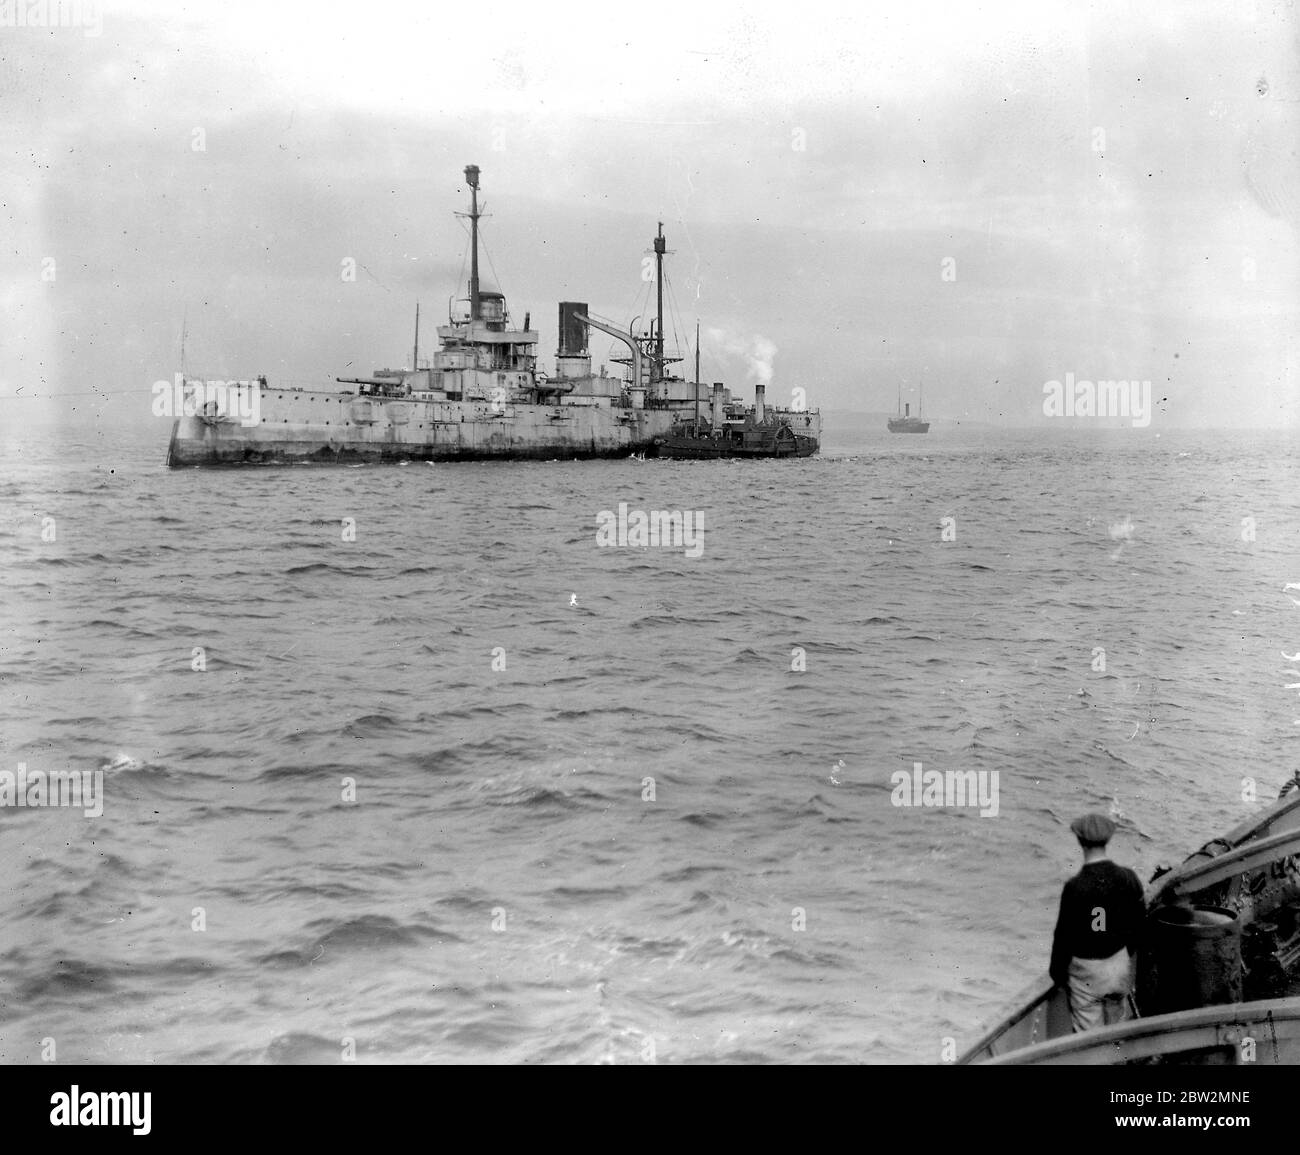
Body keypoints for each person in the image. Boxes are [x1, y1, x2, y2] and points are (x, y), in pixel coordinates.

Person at [1049, 812, 1145, 1032]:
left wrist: (1057, 975)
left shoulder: (1075, 887)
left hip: (1087, 975)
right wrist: (1125, 957)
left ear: (1080, 841)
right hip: (1119, 966)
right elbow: (1139, 924)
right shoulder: (1128, 878)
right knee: (1116, 1026)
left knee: (1089, 1035)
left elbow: (1062, 938)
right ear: (1108, 840)